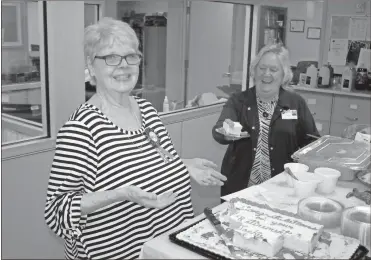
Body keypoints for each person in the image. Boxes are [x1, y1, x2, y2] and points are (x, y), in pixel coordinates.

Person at [44, 17, 226, 260]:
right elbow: (57, 212)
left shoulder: (146, 110)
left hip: (164, 248)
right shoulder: (82, 129)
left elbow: (150, 159)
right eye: (110, 57)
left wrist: (183, 164)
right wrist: (121, 193)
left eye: (131, 56)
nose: (124, 65)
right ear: (91, 65)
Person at [212, 44, 319, 196]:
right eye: (262, 68)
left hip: (282, 187)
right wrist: (226, 132)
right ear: (254, 71)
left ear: (284, 75)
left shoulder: (296, 103)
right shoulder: (238, 101)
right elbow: (219, 130)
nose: (266, 74)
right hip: (241, 186)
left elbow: (312, 141)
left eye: (273, 70)